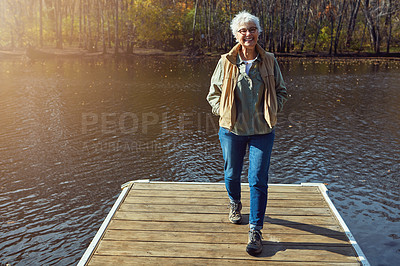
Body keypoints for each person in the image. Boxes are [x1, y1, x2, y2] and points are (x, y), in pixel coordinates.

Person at [206, 11, 288, 256]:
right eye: (243, 30)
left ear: (258, 33)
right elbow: (213, 93)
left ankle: (255, 230)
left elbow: (281, 91)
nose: (248, 34)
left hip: (263, 131)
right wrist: (224, 111)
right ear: (236, 35)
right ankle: (234, 202)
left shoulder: (270, 60)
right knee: (232, 174)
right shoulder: (226, 61)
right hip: (232, 130)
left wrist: (273, 108)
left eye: (252, 29)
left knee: (258, 179)